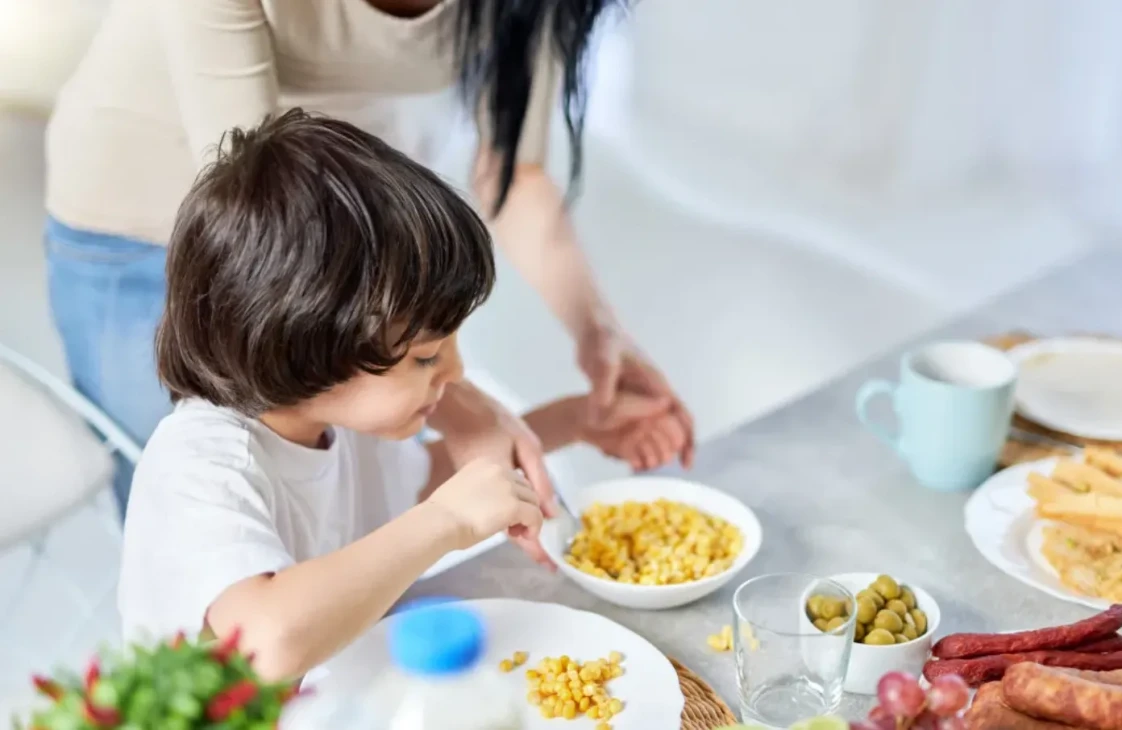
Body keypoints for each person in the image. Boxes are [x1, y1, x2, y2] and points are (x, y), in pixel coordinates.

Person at [44, 0, 694, 517]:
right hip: (163, 219)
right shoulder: (268, 228)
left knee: (348, 494)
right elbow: (258, 209)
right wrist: (445, 389)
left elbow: (515, 176)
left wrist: (598, 334)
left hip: (346, 239)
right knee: (211, 506)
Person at [117, 111, 680, 678]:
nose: (456, 372)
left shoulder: (335, 422)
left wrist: (574, 420)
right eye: (426, 356)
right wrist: (447, 522)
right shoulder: (200, 463)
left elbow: (410, 485)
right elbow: (265, 642)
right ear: (305, 346)